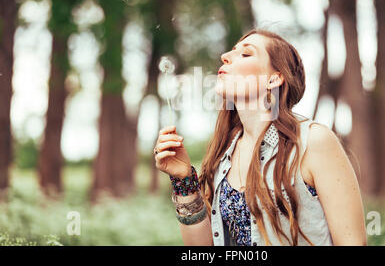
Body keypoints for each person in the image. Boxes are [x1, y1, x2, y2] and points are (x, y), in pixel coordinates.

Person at [154, 29, 367, 246]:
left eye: (246, 54)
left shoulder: (313, 142)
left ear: (274, 79)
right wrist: (183, 182)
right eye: (232, 51)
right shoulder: (224, 154)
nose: (224, 56)